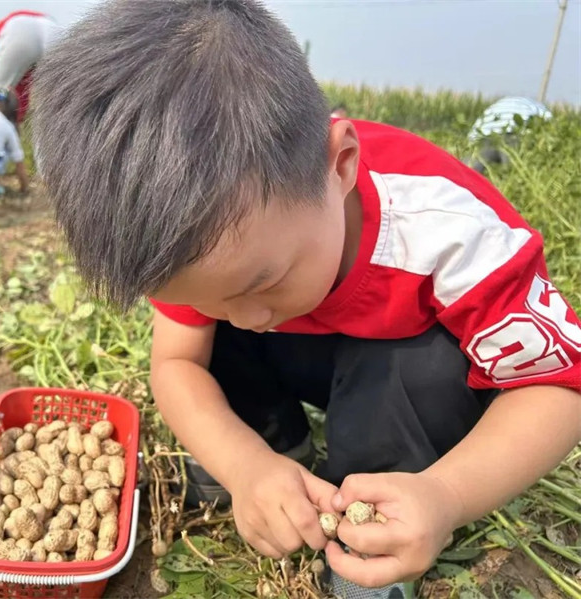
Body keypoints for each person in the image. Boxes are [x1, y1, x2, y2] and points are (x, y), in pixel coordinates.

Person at [30, 1, 581, 598]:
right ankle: (277, 449)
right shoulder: (219, 245)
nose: (248, 318)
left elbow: (557, 389)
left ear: (339, 164)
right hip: (310, 353)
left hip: (398, 364)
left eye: (262, 282)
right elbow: (177, 363)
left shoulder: (450, 231)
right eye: (212, 299)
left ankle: (372, 520)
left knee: (423, 363)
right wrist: (244, 465)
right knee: (214, 341)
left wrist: (447, 495)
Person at [0, 10, 62, 124]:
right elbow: (21, 100)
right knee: (60, 99)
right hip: (51, 27)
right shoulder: (15, 63)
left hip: (20, 30)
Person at [466, 96, 552, 175]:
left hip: (487, 137)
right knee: (512, 173)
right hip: (517, 137)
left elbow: (474, 132)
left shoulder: (494, 107)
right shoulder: (537, 107)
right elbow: (549, 126)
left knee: (469, 170)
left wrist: (472, 143)